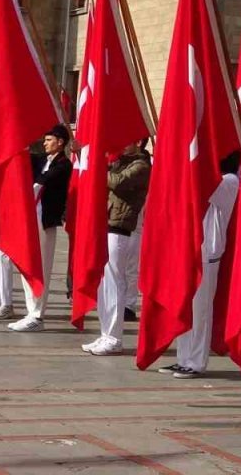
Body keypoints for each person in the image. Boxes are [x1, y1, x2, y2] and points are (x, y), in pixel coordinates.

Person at [161, 150, 241, 378]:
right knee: (185, 306)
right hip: (189, 248)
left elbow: (204, 188)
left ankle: (196, 361)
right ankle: (183, 357)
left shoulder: (230, 181)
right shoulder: (211, 179)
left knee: (201, 309)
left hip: (208, 252)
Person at [82, 139, 151, 356]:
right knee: (106, 283)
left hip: (122, 229)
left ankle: (114, 337)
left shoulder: (141, 165)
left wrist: (97, 166)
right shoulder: (121, 161)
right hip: (109, 224)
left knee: (115, 283)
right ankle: (106, 333)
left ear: (139, 142)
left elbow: (117, 182)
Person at [9, 126, 72, 333]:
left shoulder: (63, 165)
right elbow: (24, 160)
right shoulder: (42, 161)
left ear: (60, 142)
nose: (45, 143)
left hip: (44, 221)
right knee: (26, 263)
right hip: (30, 219)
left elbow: (44, 181)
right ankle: (30, 311)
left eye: (49, 140)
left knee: (42, 267)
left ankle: (38, 314)